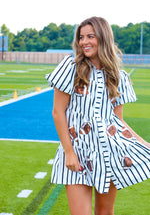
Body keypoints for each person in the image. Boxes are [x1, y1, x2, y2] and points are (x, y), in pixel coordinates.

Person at [45, 17, 150, 215]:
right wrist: (68, 151)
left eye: (90, 36)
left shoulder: (118, 76)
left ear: (103, 38)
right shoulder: (71, 67)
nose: (84, 42)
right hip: (77, 152)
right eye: (81, 37)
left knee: (105, 213)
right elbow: (58, 112)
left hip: (109, 152)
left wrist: (144, 144)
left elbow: (118, 123)